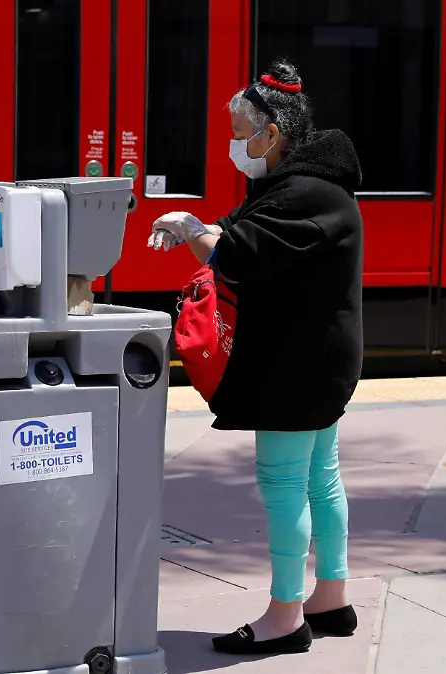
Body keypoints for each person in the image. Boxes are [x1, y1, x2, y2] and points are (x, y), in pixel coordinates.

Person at [148, 59, 363, 656]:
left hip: (297, 366)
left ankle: (285, 615)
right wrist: (198, 229)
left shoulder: (305, 193)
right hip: (318, 358)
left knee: (284, 483)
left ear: (272, 132)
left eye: (241, 132)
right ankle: (331, 597)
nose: (235, 145)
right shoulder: (306, 186)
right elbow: (239, 232)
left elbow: (238, 253)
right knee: (320, 478)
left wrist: (188, 225)